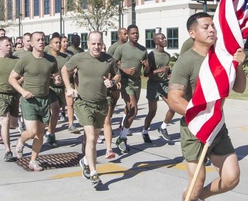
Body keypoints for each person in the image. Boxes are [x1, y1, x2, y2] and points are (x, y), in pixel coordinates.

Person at [167, 12, 247, 201]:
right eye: (205, 27)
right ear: (193, 33)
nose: (212, 30)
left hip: (218, 127)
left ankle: (199, 198)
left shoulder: (220, 57)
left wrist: (238, 65)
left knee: (231, 178)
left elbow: (240, 88)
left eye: (213, 26)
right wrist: (198, 116)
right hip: (195, 128)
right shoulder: (186, 61)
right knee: (198, 178)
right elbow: (174, 98)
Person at [62, 31, 119, 189]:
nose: (96, 46)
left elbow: (117, 74)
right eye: (93, 43)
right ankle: (94, 173)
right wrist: (68, 87)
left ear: (102, 43)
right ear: (87, 44)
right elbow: (64, 70)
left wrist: (112, 82)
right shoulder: (79, 58)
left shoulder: (108, 59)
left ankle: (86, 162)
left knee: (92, 137)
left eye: (99, 43)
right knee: (92, 136)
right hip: (83, 103)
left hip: (101, 104)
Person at [8, 31, 58, 172]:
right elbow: (12, 78)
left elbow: (54, 75)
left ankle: (33, 161)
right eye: (38, 40)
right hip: (29, 100)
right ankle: (21, 141)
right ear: (31, 43)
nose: (41, 42)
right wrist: (23, 92)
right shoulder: (25, 60)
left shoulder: (51, 60)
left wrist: (57, 79)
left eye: (43, 39)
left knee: (40, 133)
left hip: (44, 100)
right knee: (31, 131)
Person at [112, 25, 147, 153]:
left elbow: (146, 72)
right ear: (128, 34)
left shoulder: (143, 50)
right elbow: (112, 64)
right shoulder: (121, 49)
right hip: (126, 83)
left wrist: (146, 66)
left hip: (137, 83)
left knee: (129, 110)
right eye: (132, 33)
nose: (135, 35)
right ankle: (122, 137)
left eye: (137, 33)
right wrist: (124, 70)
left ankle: (123, 132)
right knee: (134, 109)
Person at [144, 32, 176, 142]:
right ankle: (145, 131)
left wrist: (171, 76)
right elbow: (146, 74)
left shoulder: (167, 55)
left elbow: (168, 72)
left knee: (173, 107)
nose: (165, 39)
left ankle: (163, 127)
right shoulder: (151, 55)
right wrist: (159, 70)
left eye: (165, 38)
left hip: (164, 84)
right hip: (153, 84)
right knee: (152, 112)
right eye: (162, 38)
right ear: (156, 41)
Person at [45, 32, 69, 147]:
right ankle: (51, 133)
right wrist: (52, 77)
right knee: (55, 109)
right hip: (49, 88)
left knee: (56, 112)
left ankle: (50, 130)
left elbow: (71, 71)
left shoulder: (66, 57)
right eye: (56, 43)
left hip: (62, 88)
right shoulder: (46, 58)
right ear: (50, 44)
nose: (59, 44)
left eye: (60, 42)